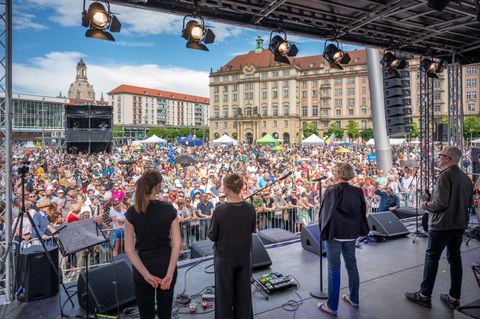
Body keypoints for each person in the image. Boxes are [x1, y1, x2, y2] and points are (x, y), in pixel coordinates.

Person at [406, 146, 473, 309]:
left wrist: (425, 204)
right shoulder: (465, 178)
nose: (438, 157)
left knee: (432, 258)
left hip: (442, 225)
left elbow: (440, 203)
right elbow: (469, 203)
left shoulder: (444, 176)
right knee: (455, 259)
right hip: (459, 224)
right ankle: (454, 297)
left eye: (441, 155)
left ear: (448, 158)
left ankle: (424, 295)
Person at [124, 170, 181, 319]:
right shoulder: (169, 209)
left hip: (143, 266)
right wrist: (169, 273)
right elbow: (177, 243)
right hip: (165, 264)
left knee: (146, 314)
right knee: (165, 313)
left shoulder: (132, 211)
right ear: (158, 186)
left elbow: (129, 249)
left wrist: (146, 275)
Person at [318, 162, 370, 316]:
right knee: (351, 265)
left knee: (334, 269)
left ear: (339, 174)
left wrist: (323, 231)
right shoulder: (358, 191)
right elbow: (362, 210)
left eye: (335, 172)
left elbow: (325, 213)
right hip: (351, 234)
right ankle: (354, 298)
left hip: (335, 234)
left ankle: (331, 306)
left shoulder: (332, 190)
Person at [208, 173, 256, 319]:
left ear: (227, 189)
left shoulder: (220, 211)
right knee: (243, 294)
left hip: (224, 258)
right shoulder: (250, 208)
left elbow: (212, 236)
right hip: (244, 256)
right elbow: (251, 229)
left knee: (224, 297)